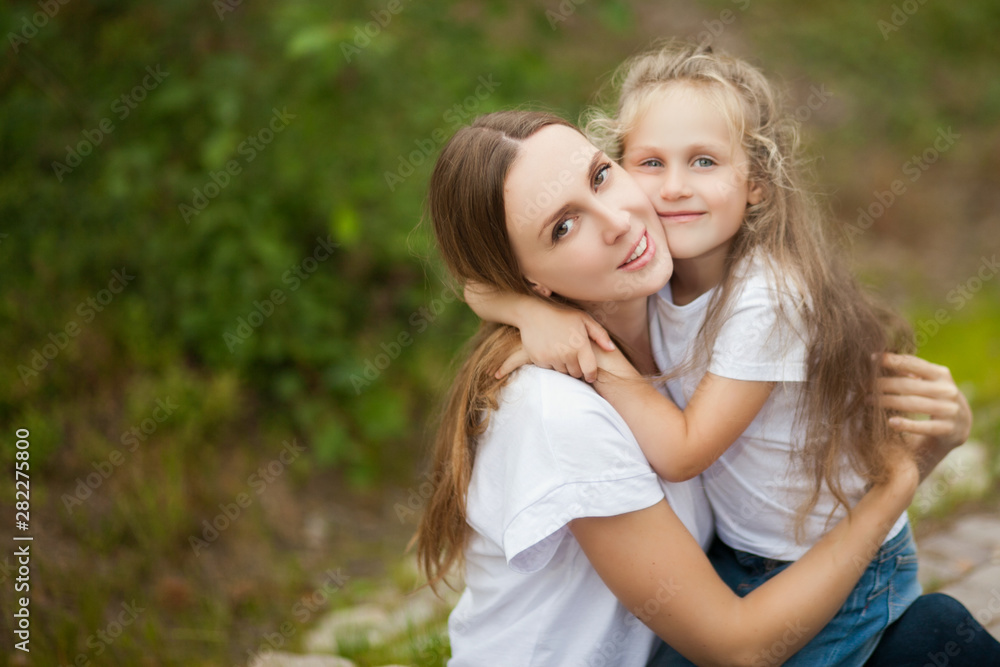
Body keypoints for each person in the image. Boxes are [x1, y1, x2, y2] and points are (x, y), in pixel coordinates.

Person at [461, 42, 980, 665]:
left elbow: (683, 451)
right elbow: (480, 277)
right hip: (749, 565)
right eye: (651, 162)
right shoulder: (627, 317)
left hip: (825, 560)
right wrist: (527, 310)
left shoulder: (754, 294)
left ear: (756, 183)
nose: (668, 192)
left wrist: (574, 342)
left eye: (703, 161)